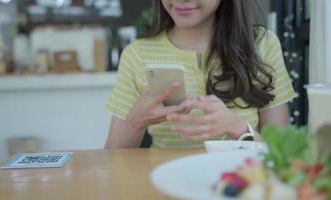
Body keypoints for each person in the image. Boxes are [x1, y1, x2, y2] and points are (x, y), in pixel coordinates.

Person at [104, 0, 296, 148]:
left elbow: (283, 156)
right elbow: (110, 160)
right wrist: (136, 122)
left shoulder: (263, 45)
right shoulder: (137, 54)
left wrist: (237, 128)